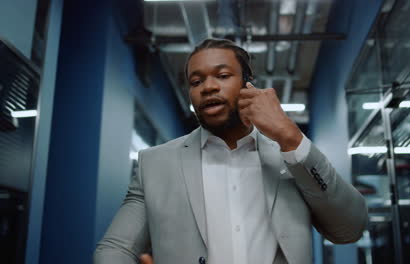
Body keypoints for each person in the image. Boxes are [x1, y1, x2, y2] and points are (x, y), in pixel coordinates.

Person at [94, 38, 367, 264]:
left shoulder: (291, 157)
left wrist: (291, 137)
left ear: (248, 83)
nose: (208, 87)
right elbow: (114, 249)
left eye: (222, 76)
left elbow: (350, 229)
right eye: (196, 81)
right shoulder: (154, 164)